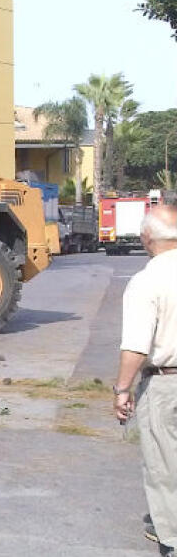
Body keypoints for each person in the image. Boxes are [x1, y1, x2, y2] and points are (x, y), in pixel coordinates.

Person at [113, 205, 177, 554]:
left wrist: (122, 390)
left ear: (146, 238)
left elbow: (136, 347)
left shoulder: (147, 281)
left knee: (165, 465)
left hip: (166, 384)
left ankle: (172, 541)